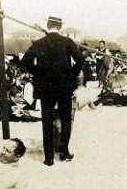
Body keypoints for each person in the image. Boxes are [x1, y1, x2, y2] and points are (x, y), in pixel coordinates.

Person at [21, 16, 84, 166]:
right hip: (64, 87)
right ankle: (64, 152)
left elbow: (25, 62)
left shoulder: (38, 43)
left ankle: (48, 158)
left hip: (46, 88)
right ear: (60, 27)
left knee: (47, 121)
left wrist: (38, 72)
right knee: (66, 120)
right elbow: (80, 60)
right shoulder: (67, 42)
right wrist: (70, 75)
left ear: (48, 25)